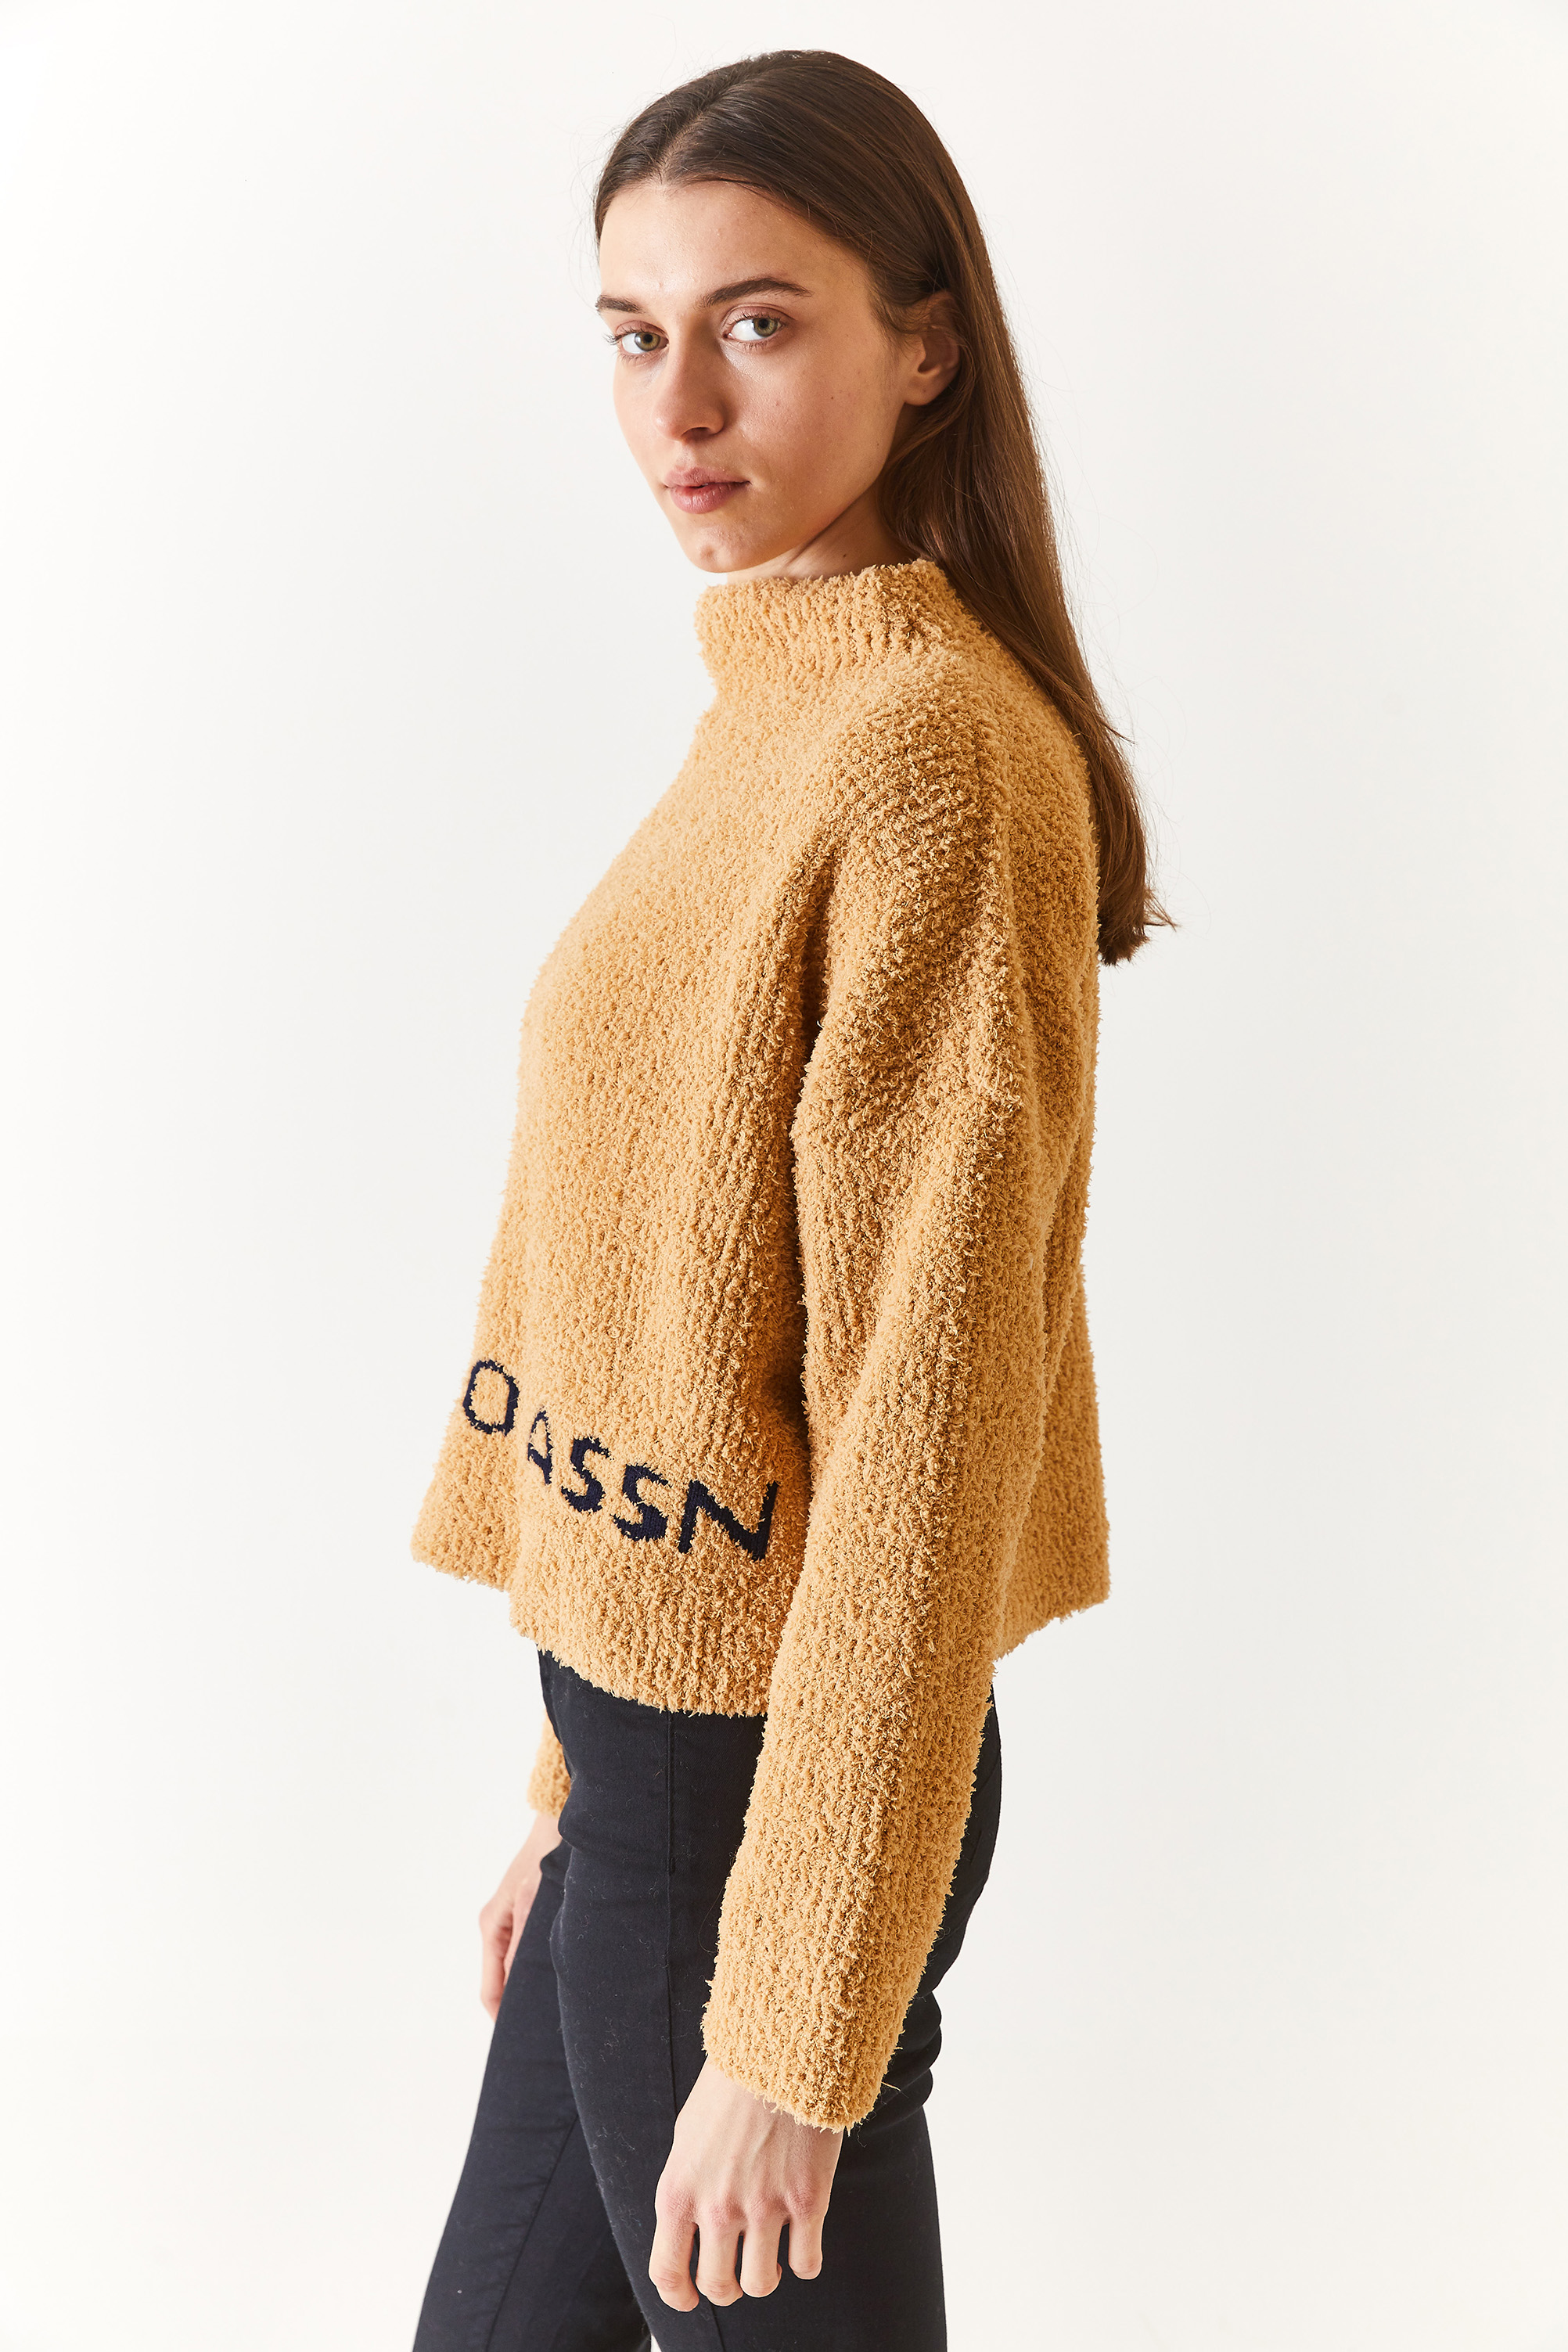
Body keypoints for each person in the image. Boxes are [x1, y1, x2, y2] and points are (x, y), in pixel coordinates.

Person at [408, 48, 1159, 2352]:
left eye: (757, 321)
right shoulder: (784, 701)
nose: (681, 403)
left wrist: (794, 2028)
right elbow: (673, 1309)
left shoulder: (932, 758)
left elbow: (920, 1431)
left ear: (923, 345)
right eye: (634, 333)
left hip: (768, 1821)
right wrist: (573, 1787)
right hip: (654, 1792)